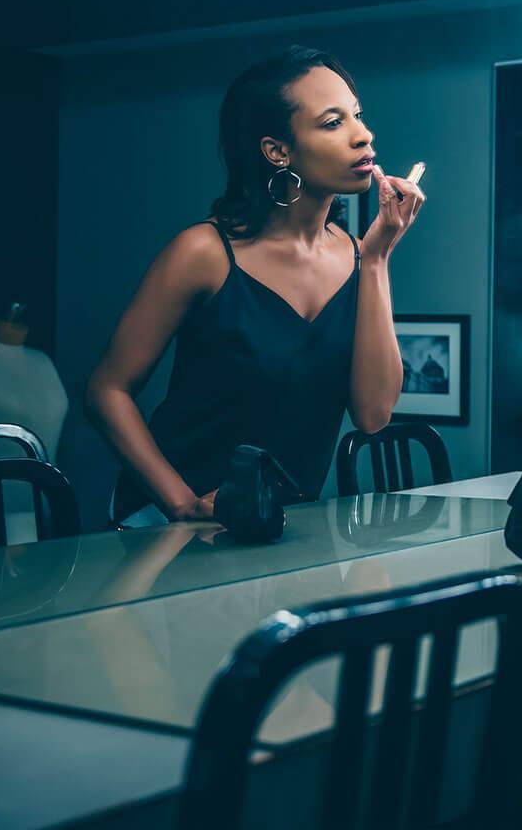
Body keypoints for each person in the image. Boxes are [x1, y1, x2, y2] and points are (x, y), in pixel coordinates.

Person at [87, 46, 423, 527]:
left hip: (278, 526)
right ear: (277, 151)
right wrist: (181, 504)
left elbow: (372, 415)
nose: (362, 134)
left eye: (357, 115)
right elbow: (106, 390)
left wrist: (376, 259)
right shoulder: (203, 253)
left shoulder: (358, 257)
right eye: (333, 122)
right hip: (168, 525)